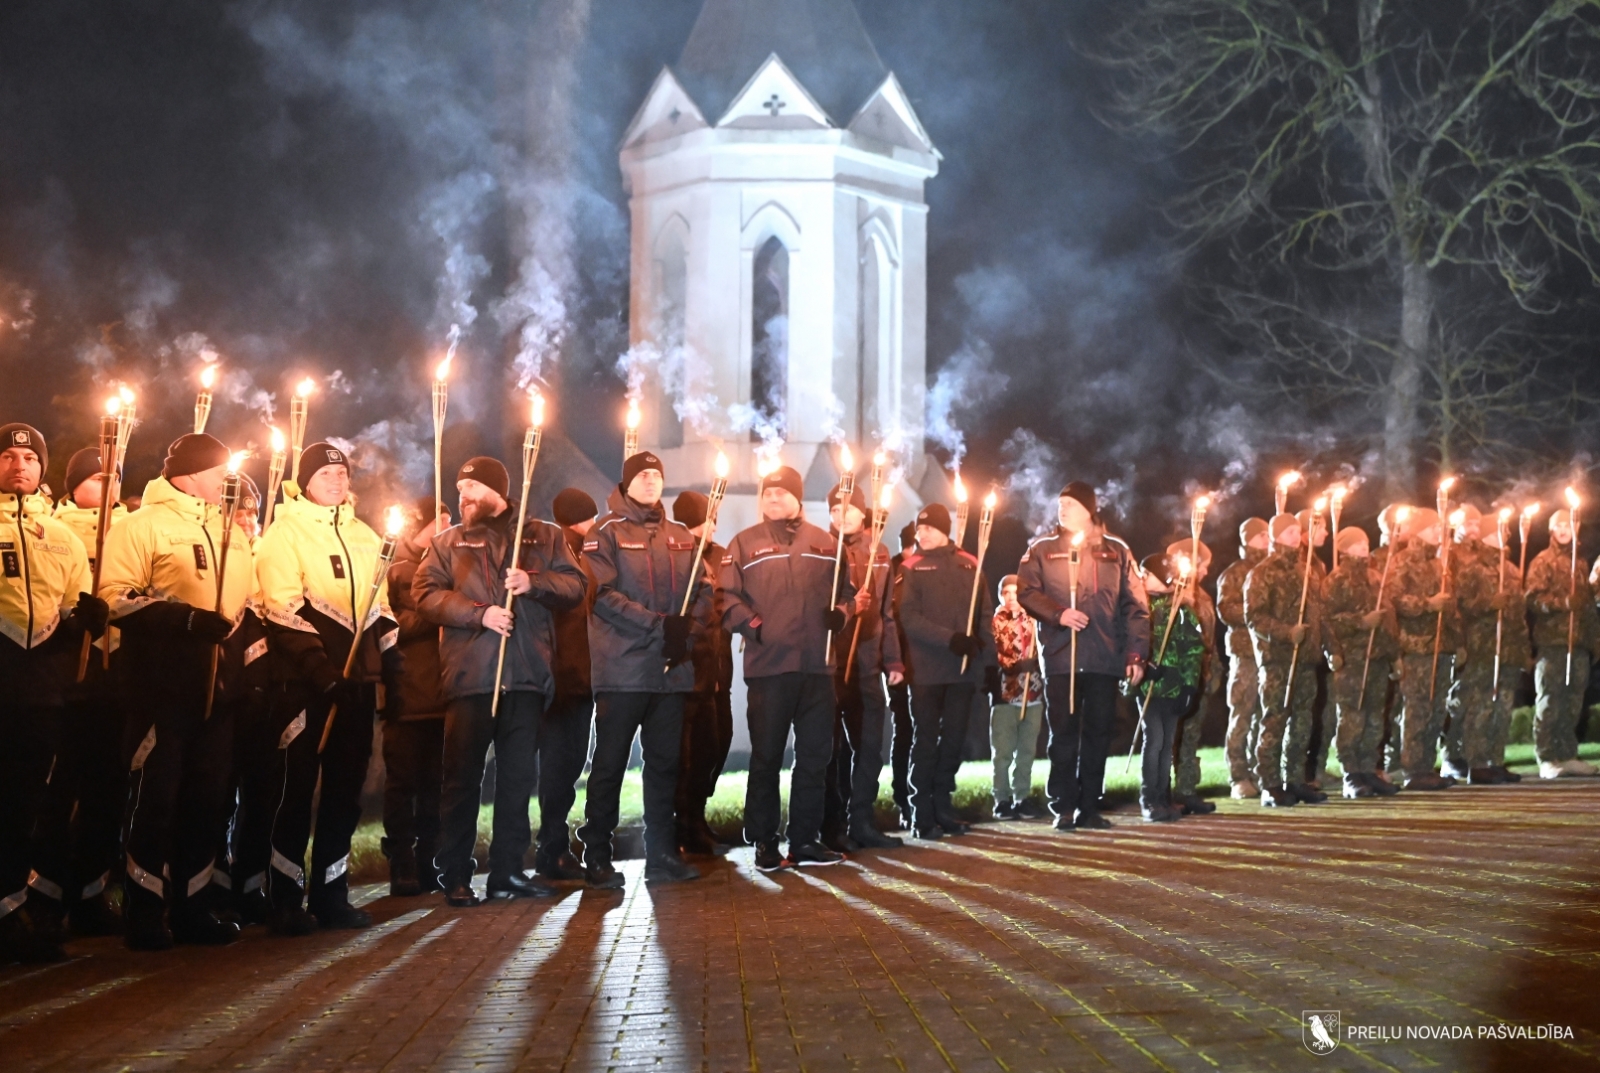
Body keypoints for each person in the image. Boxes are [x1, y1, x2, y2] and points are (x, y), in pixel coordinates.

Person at [414, 457, 586, 906]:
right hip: (472, 677)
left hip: (526, 675)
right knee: (462, 780)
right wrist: (478, 614)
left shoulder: (543, 535)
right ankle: (453, 874)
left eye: (471, 486)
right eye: (459, 486)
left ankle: (508, 871)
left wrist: (534, 581)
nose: (462, 495)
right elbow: (425, 594)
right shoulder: (446, 543)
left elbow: (575, 586)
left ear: (498, 491)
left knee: (516, 780)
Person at [100, 433, 247, 949]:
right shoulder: (141, 526)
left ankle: (192, 906)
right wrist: (183, 620)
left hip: (218, 692)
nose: (227, 480)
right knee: (155, 801)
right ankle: (143, 909)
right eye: (219, 470)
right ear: (190, 473)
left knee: (206, 803)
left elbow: (241, 605)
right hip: (162, 688)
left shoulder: (229, 529)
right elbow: (113, 598)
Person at [254, 443, 399, 932]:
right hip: (305, 686)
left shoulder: (364, 534)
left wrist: (393, 662)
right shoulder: (283, 534)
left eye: (343, 471)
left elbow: (382, 605)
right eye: (325, 472)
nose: (337, 480)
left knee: (345, 793)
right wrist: (320, 671)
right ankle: (283, 899)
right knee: (295, 792)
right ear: (305, 480)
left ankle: (331, 894)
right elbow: (281, 606)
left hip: (353, 686)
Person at [580, 452, 711, 888]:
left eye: (657, 475)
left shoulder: (680, 535)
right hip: (623, 669)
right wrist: (659, 625)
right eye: (643, 475)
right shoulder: (606, 533)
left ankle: (661, 856)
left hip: (671, 671)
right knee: (611, 763)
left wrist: (688, 631)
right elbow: (601, 595)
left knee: (664, 765)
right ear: (627, 484)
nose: (652, 481)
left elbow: (705, 590)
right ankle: (596, 855)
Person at [0, 424, 103, 963]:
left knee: (26, 806)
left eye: (30, 458)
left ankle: (12, 911)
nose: (21, 465)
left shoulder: (60, 536)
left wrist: (82, 620)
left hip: (40, 693)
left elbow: (65, 608)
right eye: (9, 455)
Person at [719, 465, 854, 870]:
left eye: (781, 493)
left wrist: (841, 615)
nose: (772, 499)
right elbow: (725, 598)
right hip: (770, 668)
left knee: (815, 757)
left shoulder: (828, 543)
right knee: (766, 757)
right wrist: (756, 627)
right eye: (767, 494)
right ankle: (764, 842)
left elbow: (844, 593)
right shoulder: (743, 544)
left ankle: (805, 840)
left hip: (817, 666)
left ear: (797, 498)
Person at [30, 445, 128, 937]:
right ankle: (45, 897)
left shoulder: (128, 532)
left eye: (113, 477)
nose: (107, 486)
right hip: (68, 682)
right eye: (96, 478)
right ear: (73, 484)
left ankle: (91, 894)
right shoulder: (54, 531)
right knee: (56, 794)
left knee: (106, 795)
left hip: (116, 681)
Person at [1017, 482, 1150, 831]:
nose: (1062, 509)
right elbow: (1026, 591)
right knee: (1062, 733)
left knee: (1098, 733)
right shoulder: (1043, 549)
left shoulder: (1117, 551)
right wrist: (1058, 614)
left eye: (1071, 504)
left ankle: (1089, 806)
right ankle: (1062, 805)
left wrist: (1136, 654)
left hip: (1105, 658)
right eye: (1060, 503)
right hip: (1063, 658)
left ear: (1089, 510)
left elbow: (1135, 606)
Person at [895, 503, 995, 839]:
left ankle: (942, 804)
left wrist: (989, 662)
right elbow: (908, 618)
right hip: (926, 671)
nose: (921, 534)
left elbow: (983, 617)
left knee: (953, 740)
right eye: (919, 529)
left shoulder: (970, 563)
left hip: (961, 671)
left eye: (928, 529)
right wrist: (949, 639)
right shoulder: (912, 567)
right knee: (925, 740)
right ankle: (920, 810)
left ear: (944, 530)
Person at [821, 482, 904, 851]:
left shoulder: (879, 551)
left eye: (848, 510)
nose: (842, 517)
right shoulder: (821, 549)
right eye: (835, 511)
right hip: (831, 662)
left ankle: (863, 820)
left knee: (870, 745)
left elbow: (887, 612)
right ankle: (832, 824)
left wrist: (893, 659)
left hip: (868, 661)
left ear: (862, 512)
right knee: (830, 748)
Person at [379, 497, 451, 895]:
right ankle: (401, 863)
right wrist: (437, 609)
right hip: (407, 691)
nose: (444, 528)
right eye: (437, 522)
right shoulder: (394, 568)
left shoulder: (449, 562)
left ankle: (430, 861)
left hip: (444, 691)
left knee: (435, 784)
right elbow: (389, 624)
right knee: (403, 782)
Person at [1244, 513, 1327, 806]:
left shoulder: (1308, 571)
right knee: (1275, 718)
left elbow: (1319, 612)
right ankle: (1270, 783)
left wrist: (1326, 646)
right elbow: (1254, 616)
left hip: (1306, 657)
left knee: (1302, 721)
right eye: (1290, 531)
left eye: (1297, 531)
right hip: (1278, 658)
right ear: (1277, 535)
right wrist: (1285, 632)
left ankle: (1295, 778)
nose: (1296, 536)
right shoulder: (1263, 572)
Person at [671, 489, 736, 857]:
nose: (712, 526)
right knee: (686, 751)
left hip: (717, 668)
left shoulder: (721, 554)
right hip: (688, 669)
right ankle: (683, 824)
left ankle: (697, 813)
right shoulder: (680, 553)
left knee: (715, 744)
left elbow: (728, 600)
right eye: (706, 520)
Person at [541, 487, 600, 880]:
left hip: (580, 672)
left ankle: (556, 844)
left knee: (568, 763)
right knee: (560, 765)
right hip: (565, 673)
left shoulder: (584, 551)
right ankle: (552, 847)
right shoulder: (564, 551)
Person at [1321, 526, 1400, 798]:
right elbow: (1328, 620)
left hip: (1378, 658)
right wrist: (1360, 622)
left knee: (1374, 718)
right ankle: (1351, 774)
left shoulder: (1376, 578)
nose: (1363, 547)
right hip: (1353, 659)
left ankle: (1369, 769)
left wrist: (1394, 655)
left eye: (1365, 542)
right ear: (1343, 549)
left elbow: (1389, 618)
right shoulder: (1336, 580)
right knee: (1352, 716)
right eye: (1356, 544)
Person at [1525, 505, 1599, 779]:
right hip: (1554, 642)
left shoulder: (1580, 564)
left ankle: (1567, 753)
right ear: (1551, 530)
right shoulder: (1543, 561)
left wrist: (1594, 640)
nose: (1564, 530)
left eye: (1568, 525)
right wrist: (1561, 604)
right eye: (1558, 526)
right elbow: (1532, 598)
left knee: (1573, 700)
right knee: (1550, 699)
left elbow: (1587, 607)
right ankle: (1547, 756)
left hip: (1578, 643)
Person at [1389, 508, 1458, 790]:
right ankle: (1413, 768)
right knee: (1417, 708)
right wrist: (1427, 604)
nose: (1437, 533)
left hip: (1440, 647)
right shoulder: (1401, 562)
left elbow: (1451, 606)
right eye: (1432, 528)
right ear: (1418, 531)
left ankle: (1427, 765)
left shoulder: (1439, 564)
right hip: (1416, 646)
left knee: (1435, 708)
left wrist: (1456, 639)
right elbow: (1394, 599)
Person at [1138, 553, 1207, 821]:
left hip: (1173, 687)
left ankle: (1164, 797)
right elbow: (1131, 643)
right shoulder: (1139, 608)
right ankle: (1149, 798)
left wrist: (1190, 684)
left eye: (1148, 573)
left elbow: (1193, 649)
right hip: (1149, 688)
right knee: (1153, 740)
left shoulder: (1181, 610)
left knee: (1167, 744)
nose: (1143, 578)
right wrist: (1144, 666)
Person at [1442, 506, 1506, 783]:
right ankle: (1453, 756)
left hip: (1487, 637)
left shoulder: (1483, 556)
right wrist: (1486, 605)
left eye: (1478, 522)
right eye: (1468, 522)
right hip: (1465, 635)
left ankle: (1477, 758)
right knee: (1462, 700)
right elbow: (1456, 599)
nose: (1475, 527)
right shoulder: (1450, 555)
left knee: (1481, 701)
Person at [1217, 518, 1269, 800]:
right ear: (1248, 539)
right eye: (1261, 536)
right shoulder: (1235, 574)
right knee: (1243, 711)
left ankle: (1264, 771)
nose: (1266, 540)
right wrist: (1257, 613)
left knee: (1266, 713)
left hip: (1272, 653)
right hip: (1246, 653)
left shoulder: (1272, 571)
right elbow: (1226, 610)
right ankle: (1239, 775)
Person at [1168, 540, 1219, 816]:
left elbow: (1210, 639)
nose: (1206, 572)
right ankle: (1160, 792)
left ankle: (1187, 790)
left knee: (1191, 735)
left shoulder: (1204, 597)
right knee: (1169, 736)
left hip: (1200, 676)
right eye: (1203, 565)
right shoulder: (1169, 594)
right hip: (1175, 676)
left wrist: (1214, 671)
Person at [990, 574, 1045, 820]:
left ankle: (1021, 796)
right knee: (1003, 751)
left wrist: (1037, 666)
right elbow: (994, 654)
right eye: (1006, 593)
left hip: (1032, 693)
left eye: (1015, 593)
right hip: (1005, 695)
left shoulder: (1034, 620)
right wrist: (1013, 665)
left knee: (1027, 750)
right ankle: (1001, 799)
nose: (1011, 598)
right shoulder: (995, 621)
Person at [1482, 523, 1527, 783]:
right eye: (1495, 530)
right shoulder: (1478, 568)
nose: (1503, 535)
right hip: (1487, 647)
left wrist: (1522, 650)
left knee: (1504, 708)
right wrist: (1489, 604)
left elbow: (1518, 614)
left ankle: (1495, 759)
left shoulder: (1510, 570)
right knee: (1485, 706)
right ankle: (1478, 761)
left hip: (1509, 648)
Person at [888, 522, 917, 826]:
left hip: (930, 665)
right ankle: (904, 800)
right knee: (906, 733)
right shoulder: (894, 573)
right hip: (903, 666)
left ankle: (928, 796)